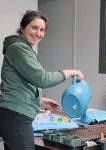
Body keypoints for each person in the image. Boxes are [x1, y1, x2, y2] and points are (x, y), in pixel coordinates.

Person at [0, 10, 84, 150]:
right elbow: (41, 79)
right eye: (34, 27)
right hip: (16, 117)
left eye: (42, 30)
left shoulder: (22, 48)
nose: (38, 33)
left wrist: (39, 100)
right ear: (22, 28)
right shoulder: (18, 48)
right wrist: (70, 72)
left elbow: (19, 82)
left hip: (12, 115)